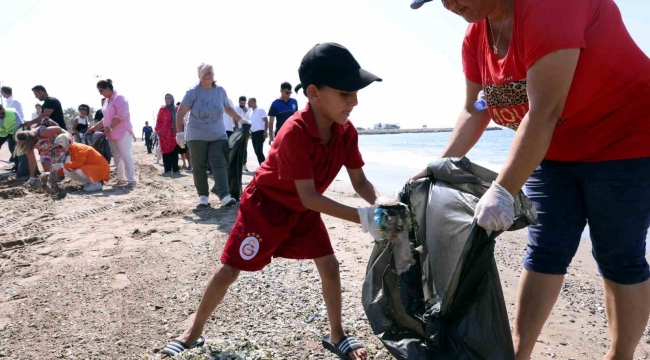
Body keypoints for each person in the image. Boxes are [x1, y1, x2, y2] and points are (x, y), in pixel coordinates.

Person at [409, 0, 650, 359]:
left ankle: (620, 356)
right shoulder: (476, 35)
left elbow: (545, 110)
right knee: (546, 249)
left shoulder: (548, 6)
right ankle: (518, 354)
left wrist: (503, 190)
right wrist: (435, 168)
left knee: (618, 255)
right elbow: (474, 109)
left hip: (626, 138)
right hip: (553, 148)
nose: (450, 4)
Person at [159, 42, 382, 360]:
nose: (355, 101)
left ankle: (337, 335)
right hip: (267, 207)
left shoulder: (346, 133)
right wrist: (364, 218)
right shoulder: (294, 133)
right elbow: (310, 195)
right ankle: (191, 332)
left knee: (330, 266)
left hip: (303, 212)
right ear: (314, 93)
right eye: (346, 93)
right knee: (230, 269)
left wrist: (383, 202)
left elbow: (360, 182)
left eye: (356, 93)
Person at [175, 63, 249, 207]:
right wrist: (179, 132)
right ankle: (203, 195)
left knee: (219, 164)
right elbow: (181, 112)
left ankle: (224, 195)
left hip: (218, 135)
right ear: (199, 76)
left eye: (211, 72)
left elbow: (227, 108)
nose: (208, 74)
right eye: (205, 72)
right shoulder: (192, 92)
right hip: (196, 135)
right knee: (199, 166)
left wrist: (241, 119)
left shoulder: (220, 91)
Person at [87, 79, 136, 188]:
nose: (100, 93)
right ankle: (121, 179)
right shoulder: (107, 101)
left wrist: (109, 128)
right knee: (117, 157)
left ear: (108, 89)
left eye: (101, 91)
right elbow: (105, 118)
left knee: (125, 155)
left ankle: (132, 180)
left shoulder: (120, 98)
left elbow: (120, 117)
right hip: (111, 134)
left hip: (122, 132)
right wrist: (94, 128)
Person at [154, 94, 180, 174]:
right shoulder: (162, 109)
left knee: (175, 151)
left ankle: (175, 169)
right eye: (166, 98)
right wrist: (155, 131)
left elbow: (180, 120)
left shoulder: (177, 109)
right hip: (164, 134)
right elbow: (159, 121)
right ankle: (167, 169)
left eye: (169, 98)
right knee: (166, 152)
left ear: (172, 99)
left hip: (174, 133)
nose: (167, 99)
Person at [0, 104, 23, 171]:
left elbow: (20, 123)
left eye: (2, 113)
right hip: (2, 134)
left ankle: (17, 166)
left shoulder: (12, 112)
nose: (1, 115)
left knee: (13, 149)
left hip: (13, 132)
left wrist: (16, 134)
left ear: (3, 109)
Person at [247, 97, 268, 165]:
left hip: (260, 133)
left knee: (259, 151)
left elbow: (266, 121)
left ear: (253, 102)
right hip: (253, 134)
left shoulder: (260, 110)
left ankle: (264, 167)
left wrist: (265, 132)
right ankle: (262, 166)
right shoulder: (251, 112)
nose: (248, 103)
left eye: (249, 102)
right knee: (256, 151)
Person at [234, 96, 251, 171]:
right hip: (236, 129)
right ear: (239, 102)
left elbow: (249, 119)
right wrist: (237, 128)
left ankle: (244, 164)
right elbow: (234, 118)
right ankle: (235, 163)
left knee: (244, 147)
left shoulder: (248, 109)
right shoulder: (236, 108)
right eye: (241, 103)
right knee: (236, 147)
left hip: (245, 130)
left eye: (244, 103)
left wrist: (246, 111)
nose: (243, 104)